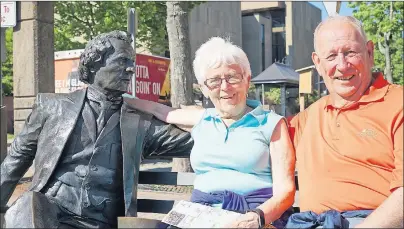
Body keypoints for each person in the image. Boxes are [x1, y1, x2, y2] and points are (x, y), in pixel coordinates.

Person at [0, 31, 193, 228]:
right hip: (51, 215)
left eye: (131, 63)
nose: (131, 69)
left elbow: (203, 138)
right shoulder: (52, 106)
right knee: (27, 204)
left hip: (102, 223)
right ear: (94, 65)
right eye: (122, 61)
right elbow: (17, 157)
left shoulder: (141, 123)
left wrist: (186, 113)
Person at [125, 37, 296, 228]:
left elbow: (286, 190)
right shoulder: (203, 119)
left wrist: (257, 217)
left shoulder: (271, 123)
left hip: (254, 215)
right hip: (200, 214)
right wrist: (115, 97)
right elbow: (159, 110)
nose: (225, 87)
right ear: (205, 89)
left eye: (232, 77)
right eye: (214, 81)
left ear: (247, 80)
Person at [286, 15, 403, 228]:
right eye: (331, 56)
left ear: (369, 52)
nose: (342, 65)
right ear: (317, 63)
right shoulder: (305, 119)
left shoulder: (398, 103)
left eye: (350, 52)